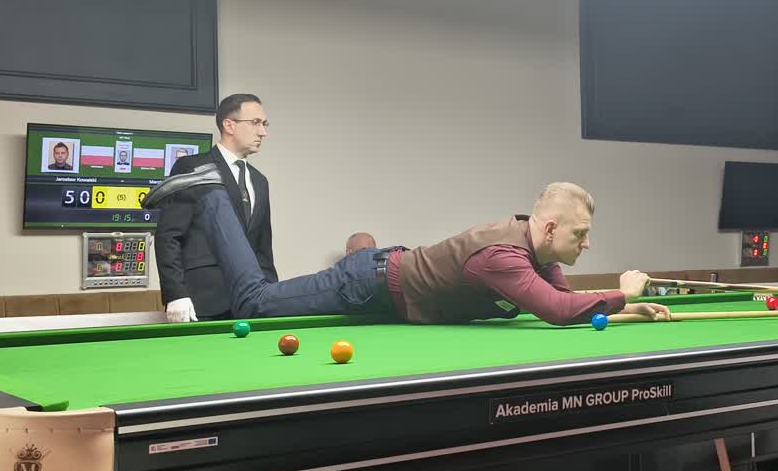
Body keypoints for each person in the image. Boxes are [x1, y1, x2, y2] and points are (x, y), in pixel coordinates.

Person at [145, 177, 669, 325]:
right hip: (364, 284)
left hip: (385, 288)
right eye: (581, 234)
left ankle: (213, 199)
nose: (587, 243)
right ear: (551, 227)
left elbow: (565, 301)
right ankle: (212, 196)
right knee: (254, 302)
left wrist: (629, 311)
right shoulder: (503, 256)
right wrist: (622, 293)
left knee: (260, 301)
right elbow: (555, 310)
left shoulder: (538, 250)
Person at [155, 94, 277, 322]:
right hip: (201, 302)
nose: (263, 132)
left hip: (250, 303)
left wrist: (273, 295)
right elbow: (168, 236)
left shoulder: (260, 181)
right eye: (255, 123)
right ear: (229, 125)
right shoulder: (192, 167)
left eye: (264, 124)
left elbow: (262, 248)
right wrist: (176, 294)